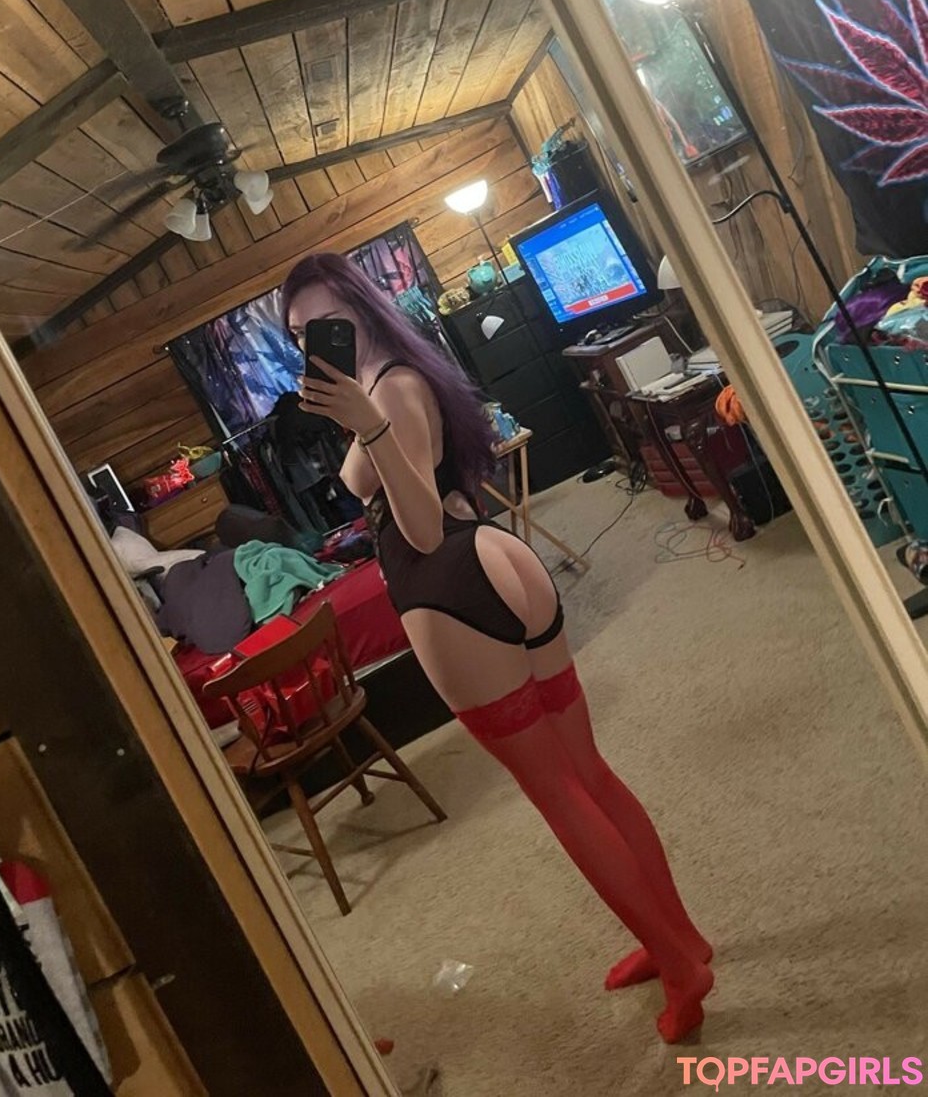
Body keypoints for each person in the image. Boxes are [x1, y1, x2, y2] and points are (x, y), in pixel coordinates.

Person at [283, 253, 713, 1044]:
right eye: (301, 332)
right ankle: (677, 939)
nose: (316, 338)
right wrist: (355, 417)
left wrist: (369, 423)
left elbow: (416, 527)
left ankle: (681, 963)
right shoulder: (397, 376)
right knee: (588, 773)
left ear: (361, 307)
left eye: (327, 321)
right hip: (496, 555)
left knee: (561, 792)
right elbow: (361, 476)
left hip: (447, 585)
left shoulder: (389, 394)